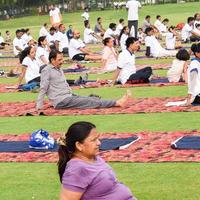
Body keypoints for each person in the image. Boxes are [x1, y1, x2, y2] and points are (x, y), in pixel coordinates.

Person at [58, 121, 137, 200]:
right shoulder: (77, 169)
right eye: (93, 140)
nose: (99, 143)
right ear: (79, 145)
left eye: (98, 138)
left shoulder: (94, 158)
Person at [36, 49, 131, 110]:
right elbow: (43, 88)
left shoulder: (58, 68)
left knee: (91, 98)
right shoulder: (46, 71)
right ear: (52, 60)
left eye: (62, 59)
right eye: (59, 60)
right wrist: (39, 106)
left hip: (68, 96)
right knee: (89, 102)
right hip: (61, 101)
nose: (62, 62)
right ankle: (117, 102)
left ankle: (112, 102)